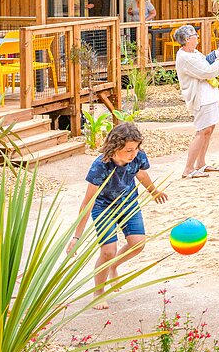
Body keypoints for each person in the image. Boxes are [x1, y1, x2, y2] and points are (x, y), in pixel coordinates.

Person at [69, 122, 168, 308]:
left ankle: (114, 266)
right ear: (115, 147)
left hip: (128, 204)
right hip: (104, 207)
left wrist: (154, 192)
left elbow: (141, 175)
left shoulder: (137, 157)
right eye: (129, 150)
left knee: (138, 243)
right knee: (108, 251)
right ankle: (98, 293)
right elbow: (87, 202)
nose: (134, 154)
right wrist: (76, 236)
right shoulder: (101, 166)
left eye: (136, 148)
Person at [173, 23, 219, 179]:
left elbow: (205, 61)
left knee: (209, 129)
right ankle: (188, 169)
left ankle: (201, 164)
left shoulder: (193, 53)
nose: (197, 37)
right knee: (202, 131)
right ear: (187, 39)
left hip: (209, 95)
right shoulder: (185, 57)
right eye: (194, 35)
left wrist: (217, 52)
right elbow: (207, 71)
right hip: (201, 98)